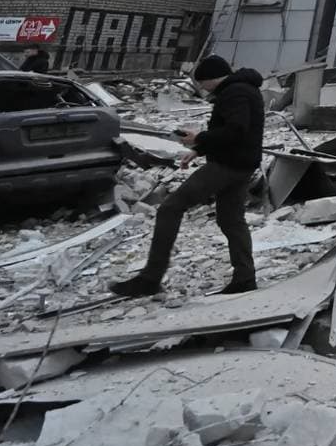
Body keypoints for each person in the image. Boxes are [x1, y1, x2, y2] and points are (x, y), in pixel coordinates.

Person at [110, 55, 264, 297]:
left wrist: (199, 139)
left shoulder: (235, 93)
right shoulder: (244, 89)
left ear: (212, 78)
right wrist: (198, 149)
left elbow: (236, 130)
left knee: (170, 208)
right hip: (241, 165)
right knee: (231, 220)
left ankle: (150, 278)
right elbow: (229, 132)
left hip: (227, 166)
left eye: (202, 83)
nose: (201, 88)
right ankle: (245, 278)